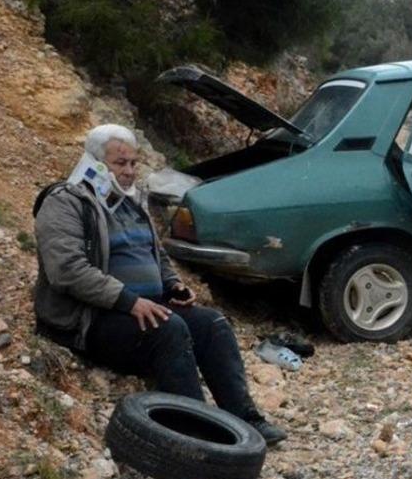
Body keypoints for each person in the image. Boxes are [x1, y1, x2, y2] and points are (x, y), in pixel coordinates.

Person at [34, 125, 287, 445]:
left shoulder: (129, 201)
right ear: (95, 163)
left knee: (212, 324)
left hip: (143, 307)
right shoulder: (66, 202)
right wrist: (128, 301)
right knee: (169, 328)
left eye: (132, 164)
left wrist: (172, 286)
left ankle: (245, 417)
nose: (128, 172)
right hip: (92, 317)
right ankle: (196, 432)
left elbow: (155, 254)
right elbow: (66, 270)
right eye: (119, 163)